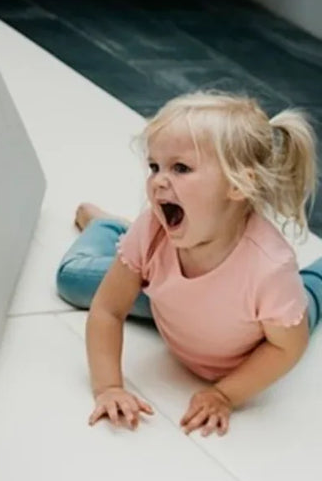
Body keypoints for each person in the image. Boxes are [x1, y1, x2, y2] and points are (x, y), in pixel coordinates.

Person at [56, 91, 321, 436]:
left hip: (248, 328)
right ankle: (106, 227)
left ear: (239, 185)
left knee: (310, 291)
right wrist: (108, 387)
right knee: (69, 280)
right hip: (168, 302)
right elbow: (107, 310)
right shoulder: (153, 229)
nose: (159, 180)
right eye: (155, 166)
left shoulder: (270, 268)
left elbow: (287, 346)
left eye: (180, 168)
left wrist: (224, 393)